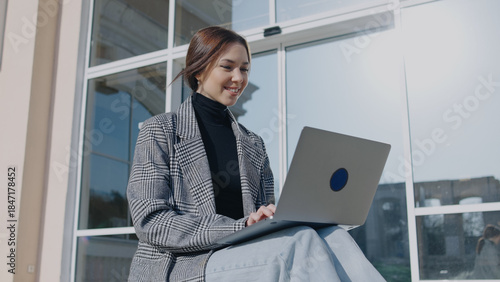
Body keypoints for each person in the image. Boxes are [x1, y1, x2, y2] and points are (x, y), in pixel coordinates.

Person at [127, 26, 385, 281]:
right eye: (227, 67)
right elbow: (151, 222)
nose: (238, 78)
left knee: (334, 235)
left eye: (245, 69)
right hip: (183, 265)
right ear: (199, 70)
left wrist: (274, 219)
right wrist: (238, 226)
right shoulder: (160, 130)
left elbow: (263, 218)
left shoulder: (254, 144)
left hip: (244, 254)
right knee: (300, 242)